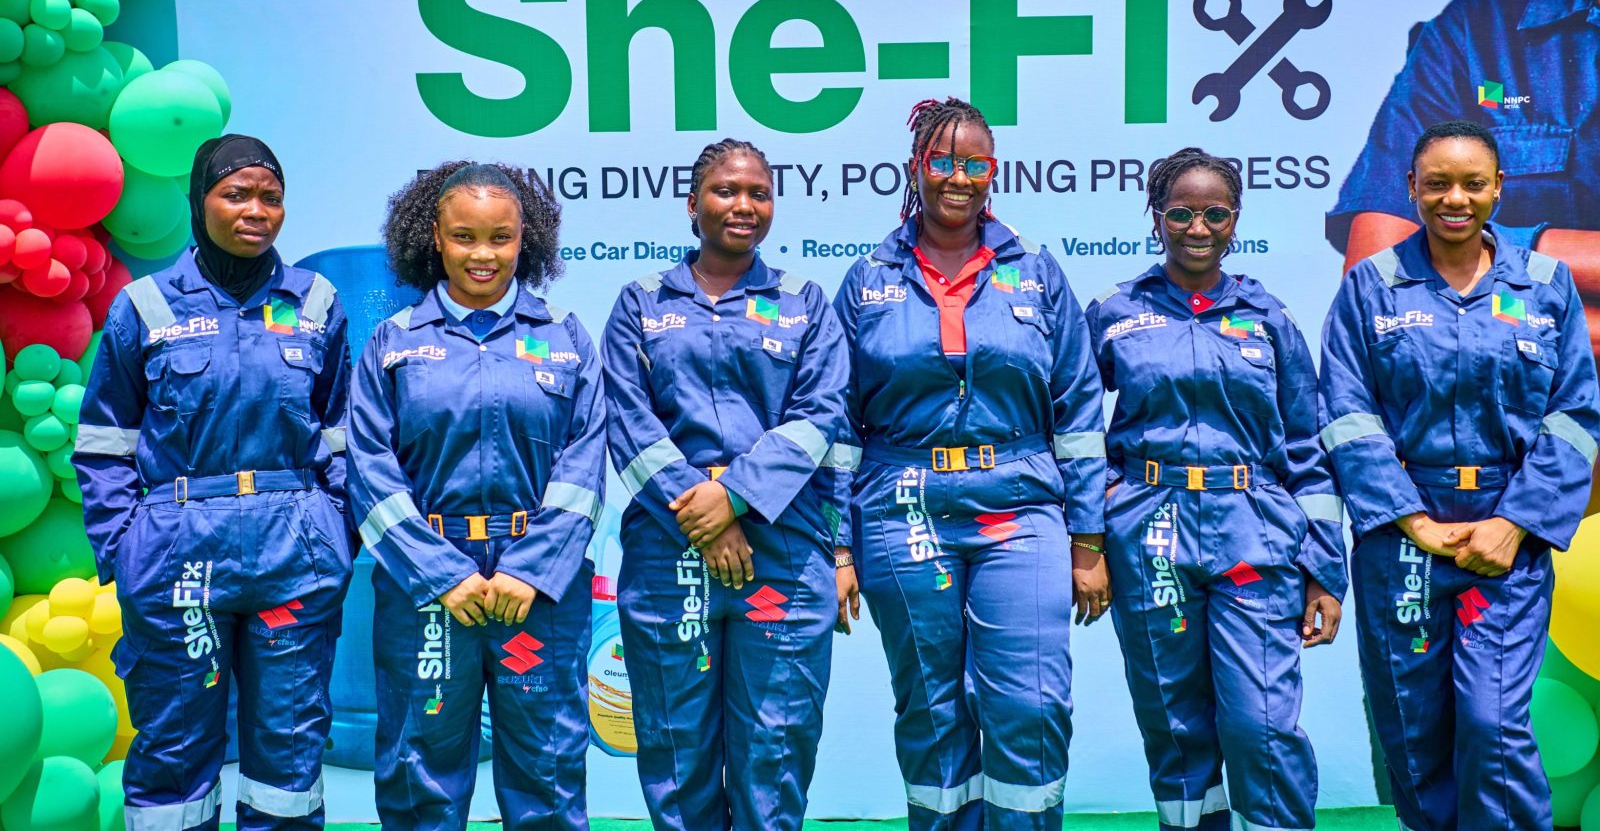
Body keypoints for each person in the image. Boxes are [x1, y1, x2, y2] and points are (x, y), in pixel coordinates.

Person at [830, 97, 1107, 830]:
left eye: (975, 164)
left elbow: (1079, 412)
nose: (959, 177)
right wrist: (838, 545)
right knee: (930, 707)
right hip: (903, 507)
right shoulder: (868, 278)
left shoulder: (1036, 271)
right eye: (943, 161)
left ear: (994, 171)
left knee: (1031, 703)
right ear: (916, 167)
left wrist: (1088, 538)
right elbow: (838, 424)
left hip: (1020, 505)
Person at [1321, 121, 1600, 831]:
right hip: (1403, 536)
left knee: (1492, 721)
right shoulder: (1371, 287)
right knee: (1412, 729)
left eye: (1473, 183)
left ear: (1498, 188)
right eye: (1437, 183)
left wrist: (1513, 524)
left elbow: (1575, 416)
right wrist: (1411, 520)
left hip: (1506, 536)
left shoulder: (1545, 285)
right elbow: (1347, 414)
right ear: (1411, 187)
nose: (1455, 198)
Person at [75, 135, 353, 830]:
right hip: (178, 556)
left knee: (291, 739)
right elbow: (105, 442)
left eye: (271, 197)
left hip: (295, 554)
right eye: (237, 194)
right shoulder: (145, 305)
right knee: (174, 746)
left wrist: (334, 531)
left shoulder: (316, 301)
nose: (257, 210)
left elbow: (344, 432)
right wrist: (125, 548)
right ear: (201, 201)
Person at [1083, 147, 1346, 831]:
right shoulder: (1115, 312)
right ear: (1156, 217)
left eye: (1214, 214)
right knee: (1175, 726)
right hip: (1151, 535)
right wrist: (1096, 527)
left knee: (1262, 723)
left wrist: (1325, 569)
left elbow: (1307, 448)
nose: (1196, 228)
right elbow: (1073, 426)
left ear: (1235, 220)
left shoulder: (1268, 316)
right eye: (1180, 213)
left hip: (1254, 534)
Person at [346, 162, 605, 831]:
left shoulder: (566, 337)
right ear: (435, 236)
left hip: (537, 590)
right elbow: (371, 470)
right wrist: (441, 573)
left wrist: (531, 569)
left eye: (501, 237)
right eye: (464, 236)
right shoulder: (394, 341)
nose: (483, 254)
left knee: (548, 768)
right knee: (419, 772)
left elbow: (584, 465)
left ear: (526, 238)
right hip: (429, 587)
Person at [602, 138, 849, 831]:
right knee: (677, 749)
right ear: (692, 203)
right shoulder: (641, 302)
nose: (744, 205)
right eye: (726, 190)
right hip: (669, 545)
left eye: (758, 193)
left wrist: (733, 499)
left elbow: (819, 416)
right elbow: (627, 420)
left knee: (776, 745)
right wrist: (702, 514)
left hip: (782, 546)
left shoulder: (804, 302)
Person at [1330, 0, 1600, 371]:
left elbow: (1426, 301)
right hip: (1508, 427)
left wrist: (1495, 256)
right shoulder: (1470, 42)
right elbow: (1377, 289)